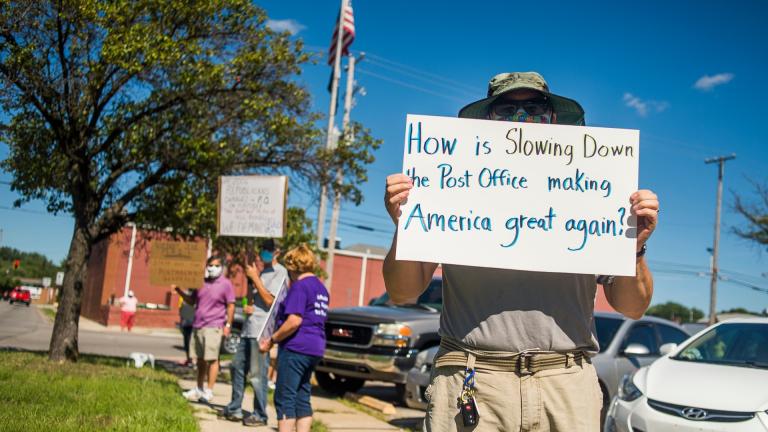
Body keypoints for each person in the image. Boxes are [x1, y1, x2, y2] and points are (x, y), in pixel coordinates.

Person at [383, 72, 659, 431]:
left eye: (534, 107)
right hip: (471, 379)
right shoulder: (449, 186)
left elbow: (632, 306)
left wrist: (633, 246)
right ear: (488, 120)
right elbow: (402, 291)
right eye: (507, 109)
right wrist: (405, 224)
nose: (522, 119)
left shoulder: (592, 192)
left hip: (565, 382)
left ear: (553, 118)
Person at [259, 244, 329, 432]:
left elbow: (294, 321)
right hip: (315, 348)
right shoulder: (321, 288)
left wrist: (272, 339)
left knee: (285, 397)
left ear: (292, 267)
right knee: (302, 396)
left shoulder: (300, 287)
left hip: (296, 348)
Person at [223, 239, 288, 426]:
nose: (264, 253)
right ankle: (235, 407)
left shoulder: (280, 272)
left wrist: (255, 277)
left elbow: (270, 301)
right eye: (262, 249)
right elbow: (254, 299)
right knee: (236, 367)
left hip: (262, 330)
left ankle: (260, 414)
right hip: (248, 328)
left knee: (258, 375)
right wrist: (248, 304)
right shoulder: (262, 271)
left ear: (277, 252)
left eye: (268, 250)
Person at [175, 255, 235, 403]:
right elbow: (192, 300)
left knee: (213, 359)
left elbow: (231, 305)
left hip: (214, 326)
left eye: (216, 265)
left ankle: (209, 390)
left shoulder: (226, 284)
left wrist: (228, 325)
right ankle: (199, 388)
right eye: (210, 265)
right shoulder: (201, 283)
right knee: (200, 360)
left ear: (221, 267)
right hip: (198, 326)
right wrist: (178, 290)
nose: (212, 268)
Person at [178, 288, 196, 367]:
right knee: (187, 343)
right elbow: (181, 309)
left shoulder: (199, 293)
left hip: (196, 323)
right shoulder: (184, 294)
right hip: (186, 322)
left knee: (194, 343)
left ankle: (194, 360)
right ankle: (189, 359)